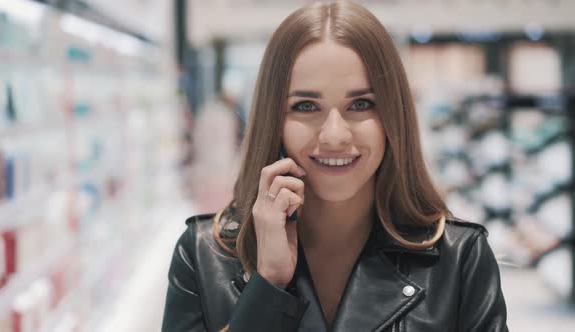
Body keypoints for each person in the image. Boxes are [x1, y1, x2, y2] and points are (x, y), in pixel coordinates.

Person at [161, 1, 509, 331]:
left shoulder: (460, 257)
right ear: (273, 119)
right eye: (306, 107)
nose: (334, 135)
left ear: (393, 116)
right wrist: (267, 287)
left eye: (360, 104)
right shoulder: (204, 255)